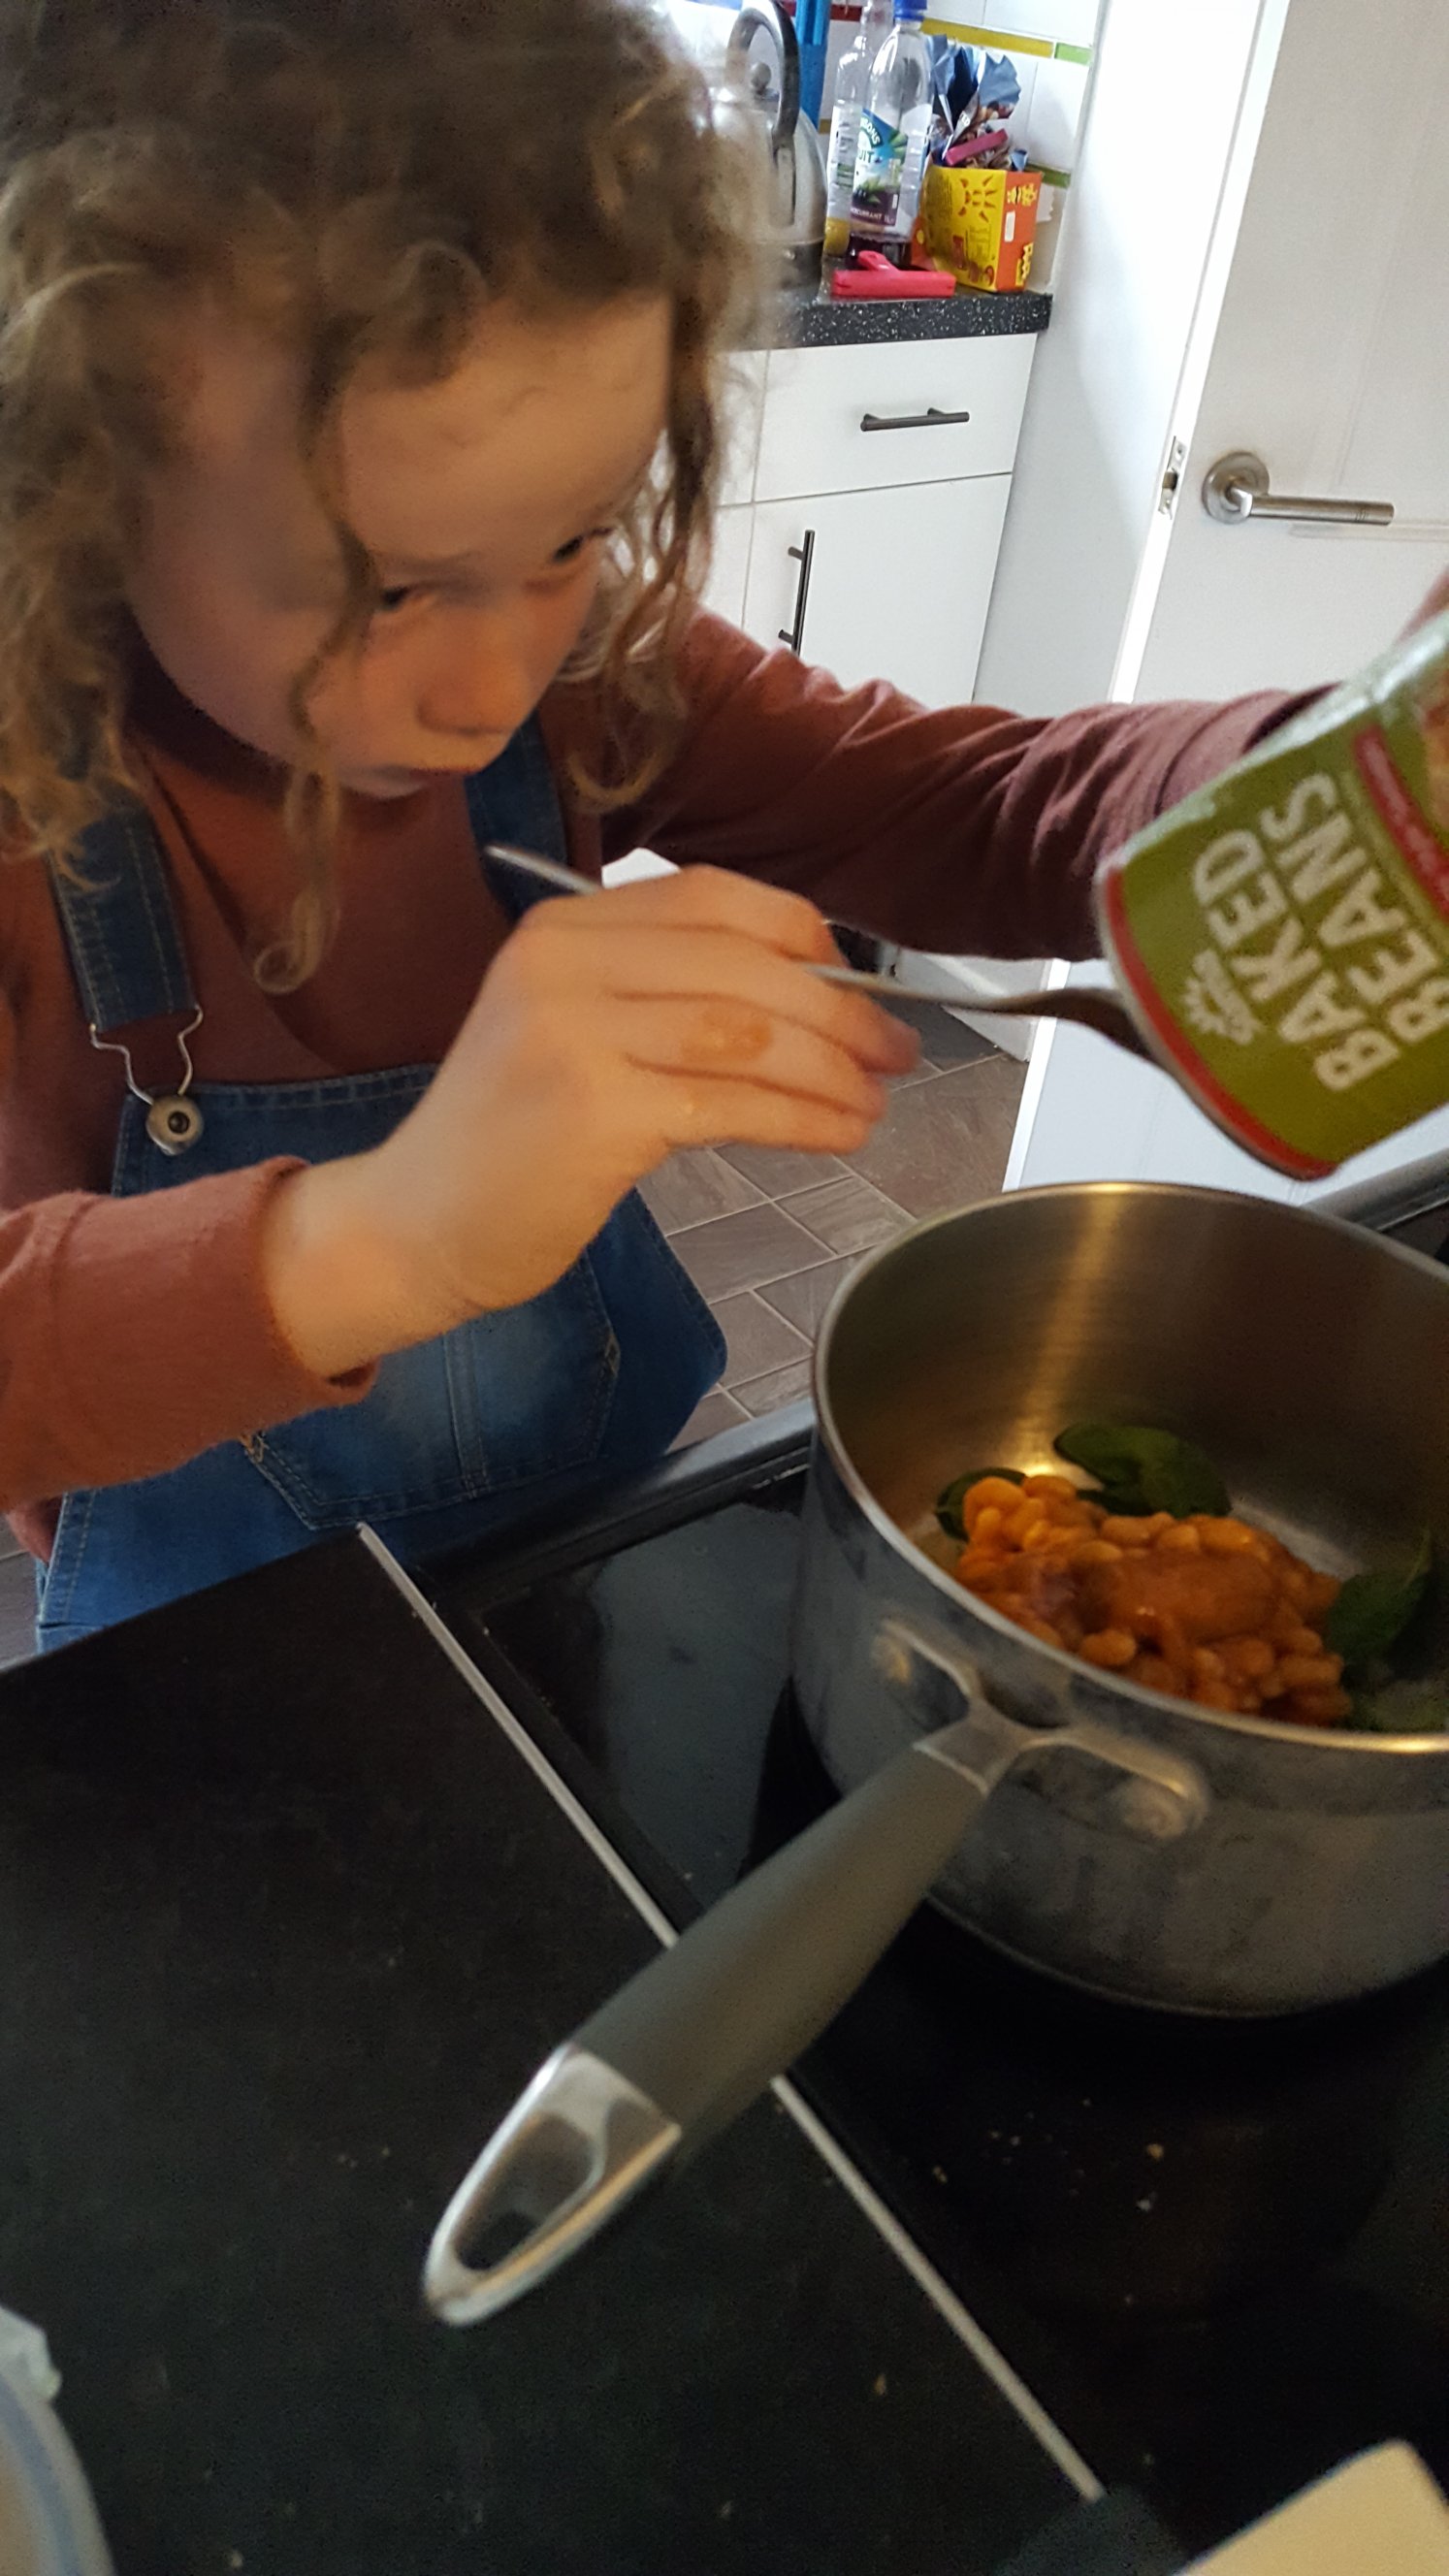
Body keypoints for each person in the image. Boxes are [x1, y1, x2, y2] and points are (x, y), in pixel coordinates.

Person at [0, 0, 1322, 1649]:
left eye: (573, 538)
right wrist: (388, 1241)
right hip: (199, 1652)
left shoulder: (590, 680)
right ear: (76, 483)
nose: (496, 678)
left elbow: (959, 809)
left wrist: (1324, 790)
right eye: (393, 588)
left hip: (564, 1558)